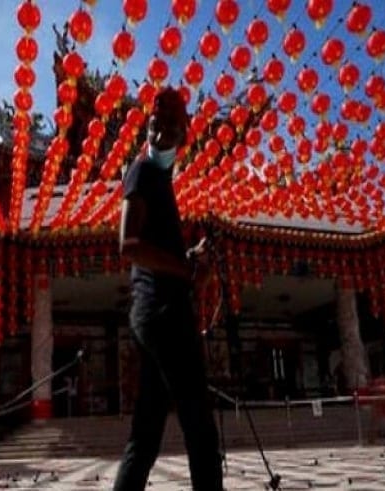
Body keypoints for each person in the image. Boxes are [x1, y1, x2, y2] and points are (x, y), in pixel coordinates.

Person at [113, 86, 223, 491]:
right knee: (200, 427)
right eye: (155, 125)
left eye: (171, 128)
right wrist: (187, 269)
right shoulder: (143, 171)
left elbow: (157, 249)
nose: (161, 135)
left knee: (146, 434)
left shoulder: (161, 180)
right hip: (164, 315)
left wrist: (190, 256)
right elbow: (129, 244)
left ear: (184, 135)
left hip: (154, 315)